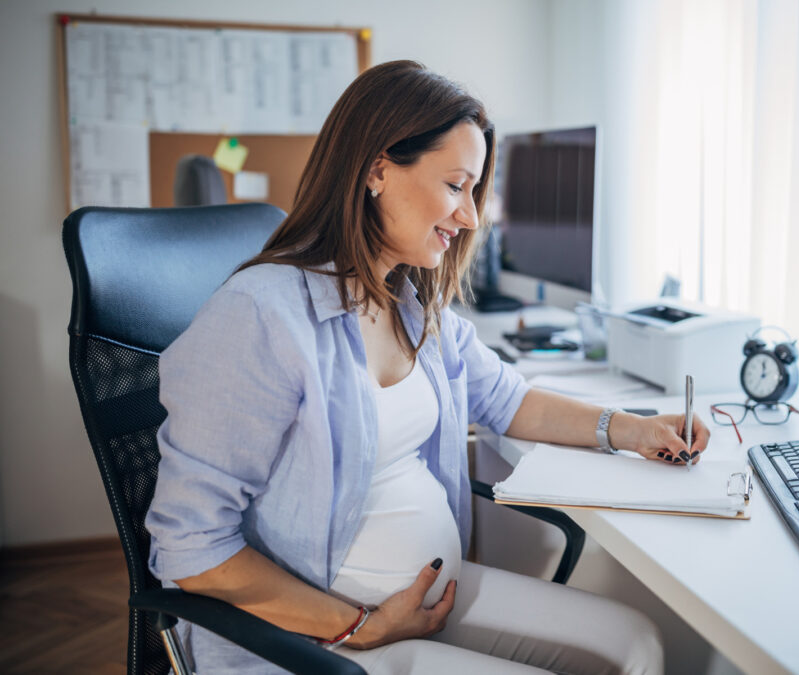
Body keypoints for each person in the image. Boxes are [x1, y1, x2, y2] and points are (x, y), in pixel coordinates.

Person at [146, 60, 711, 674]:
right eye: (455, 185)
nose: (470, 216)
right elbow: (190, 546)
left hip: (421, 602)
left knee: (637, 645)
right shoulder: (259, 316)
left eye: (474, 192)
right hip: (315, 641)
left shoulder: (411, 305)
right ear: (377, 170)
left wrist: (633, 428)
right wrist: (359, 625)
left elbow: (508, 400)